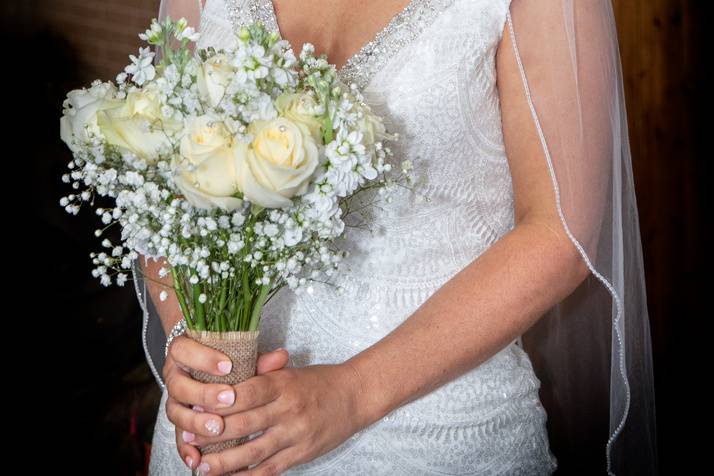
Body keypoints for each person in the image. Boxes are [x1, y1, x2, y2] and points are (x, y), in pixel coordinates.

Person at [132, 0, 658, 474]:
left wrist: (353, 393)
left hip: (430, 436)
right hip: (217, 435)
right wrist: (199, 352)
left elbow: (558, 231)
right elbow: (158, 181)